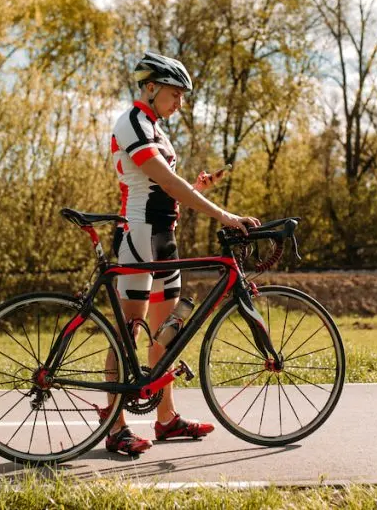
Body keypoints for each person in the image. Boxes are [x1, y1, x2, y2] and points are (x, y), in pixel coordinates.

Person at [103, 51, 260, 456]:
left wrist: (198, 189)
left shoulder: (155, 128)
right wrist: (223, 215)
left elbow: (165, 184)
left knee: (166, 333)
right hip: (138, 236)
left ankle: (166, 419)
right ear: (151, 88)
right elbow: (166, 185)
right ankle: (115, 424)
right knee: (129, 334)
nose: (181, 103)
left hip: (163, 238)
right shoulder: (132, 123)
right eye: (176, 94)